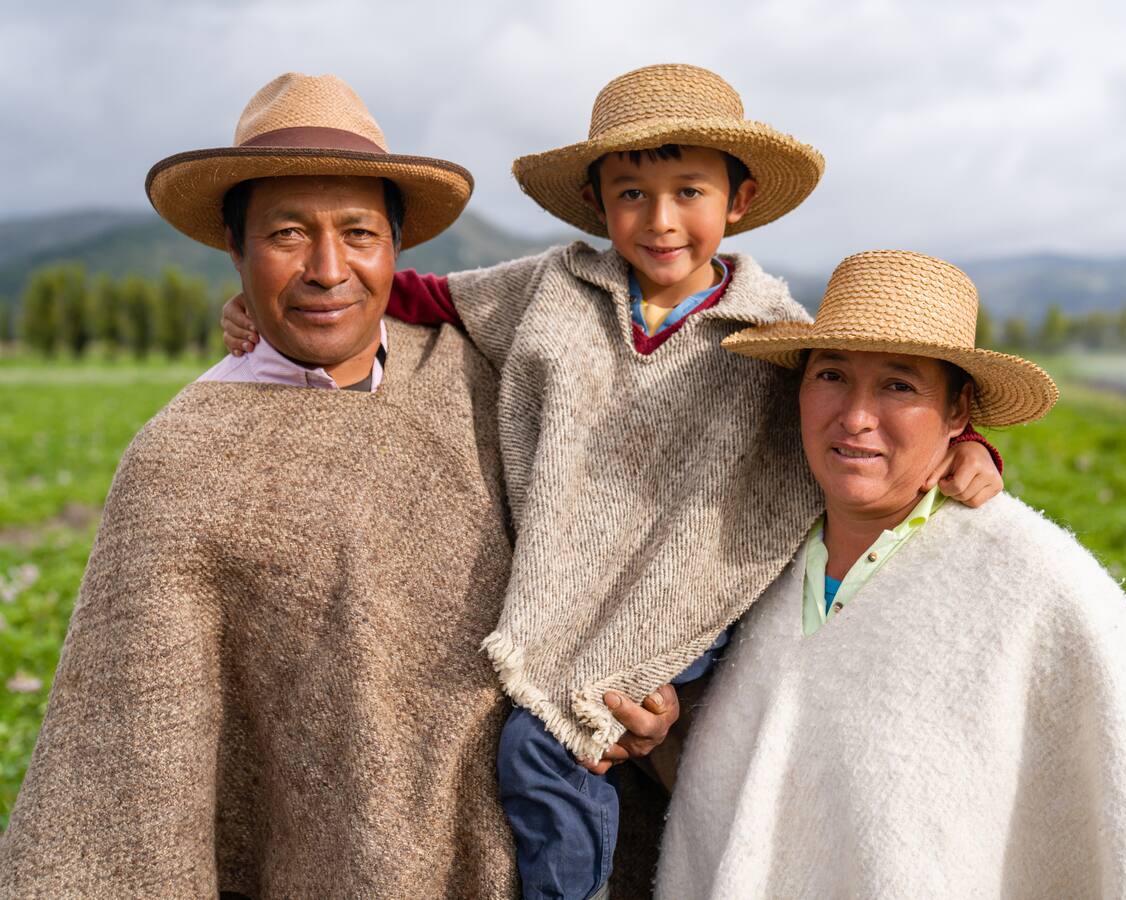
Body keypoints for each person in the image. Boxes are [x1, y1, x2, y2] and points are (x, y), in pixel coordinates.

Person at [220, 65, 1008, 900]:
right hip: (571, 576)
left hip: (687, 583)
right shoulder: (552, 289)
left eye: (689, 192)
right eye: (632, 194)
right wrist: (259, 308)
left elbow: (860, 413)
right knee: (521, 730)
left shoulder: (769, 332)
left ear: (737, 201)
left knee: (544, 743)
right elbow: (421, 296)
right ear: (597, 204)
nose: (660, 221)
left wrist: (973, 452)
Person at [0, 72, 669, 899]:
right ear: (234, 250)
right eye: (286, 234)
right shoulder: (182, 460)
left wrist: (646, 686)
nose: (328, 269)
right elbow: (130, 770)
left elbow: (629, 517)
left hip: (538, 856)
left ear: (395, 249)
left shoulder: (482, 382)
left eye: (358, 233)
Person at [657, 250, 1126, 898]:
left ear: (958, 412)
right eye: (831, 375)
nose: (855, 417)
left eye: (899, 386)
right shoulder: (746, 553)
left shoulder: (1039, 583)